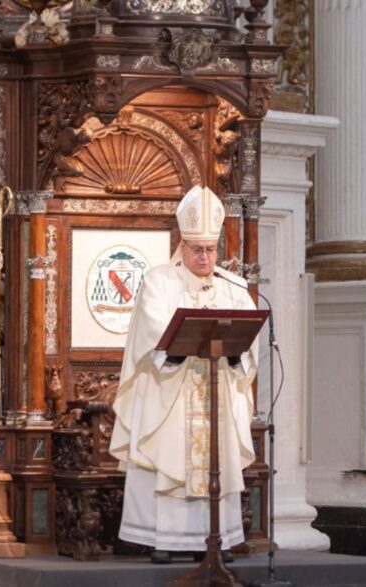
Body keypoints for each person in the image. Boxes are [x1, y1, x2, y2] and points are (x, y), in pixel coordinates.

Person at [109, 185, 258, 564]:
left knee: (215, 457)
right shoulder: (160, 281)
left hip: (216, 389)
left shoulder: (234, 286)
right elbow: (153, 329)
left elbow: (248, 340)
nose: (205, 257)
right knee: (169, 453)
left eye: (211, 250)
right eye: (198, 250)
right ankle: (164, 538)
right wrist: (176, 353)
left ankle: (215, 539)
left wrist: (238, 356)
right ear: (182, 244)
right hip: (171, 390)